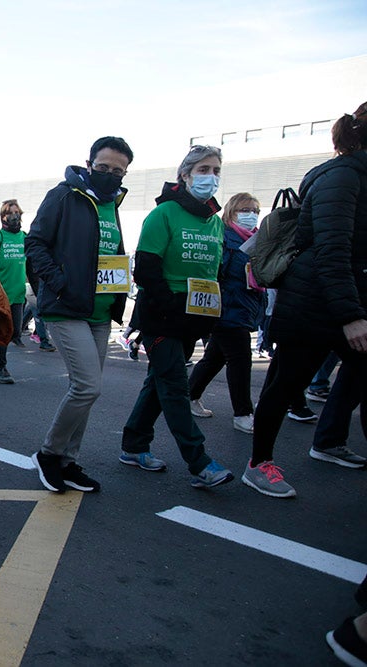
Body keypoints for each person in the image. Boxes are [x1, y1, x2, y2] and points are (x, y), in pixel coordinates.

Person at [247, 102, 367, 497]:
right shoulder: (343, 176)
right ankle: (259, 463)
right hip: (315, 301)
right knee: (285, 385)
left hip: (348, 298)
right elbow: (333, 249)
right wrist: (350, 315)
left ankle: (328, 441)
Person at [120, 144, 235, 489]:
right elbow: (147, 269)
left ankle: (133, 445)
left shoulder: (214, 222)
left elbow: (212, 273)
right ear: (184, 175)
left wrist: (207, 316)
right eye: (203, 169)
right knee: (174, 385)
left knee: (159, 382)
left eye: (215, 170)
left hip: (194, 318)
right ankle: (199, 462)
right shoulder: (164, 214)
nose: (210, 177)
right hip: (161, 316)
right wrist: (168, 305)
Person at [26, 136, 134, 493]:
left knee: (85, 390)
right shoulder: (65, 196)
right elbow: (35, 243)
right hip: (66, 307)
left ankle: (68, 462)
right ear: (89, 164)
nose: (110, 174)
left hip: (100, 311)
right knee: (88, 385)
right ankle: (49, 453)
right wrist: (59, 281)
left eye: (118, 171)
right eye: (103, 167)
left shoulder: (112, 203)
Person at [188, 193, 265, 434]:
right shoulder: (222, 238)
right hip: (227, 309)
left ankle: (188, 396)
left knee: (215, 358)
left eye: (255, 209)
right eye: (245, 209)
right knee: (240, 360)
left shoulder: (257, 239)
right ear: (231, 212)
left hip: (244, 306)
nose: (250, 214)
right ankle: (243, 413)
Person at [0, 199, 28, 384]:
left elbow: (31, 265)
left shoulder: (25, 237)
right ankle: (1, 368)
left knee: (15, 332)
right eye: (10, 212)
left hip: (18, 294)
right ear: (3, 216)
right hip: (0, 294)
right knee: (3, 332)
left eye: (17, 212)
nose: (14, 216)